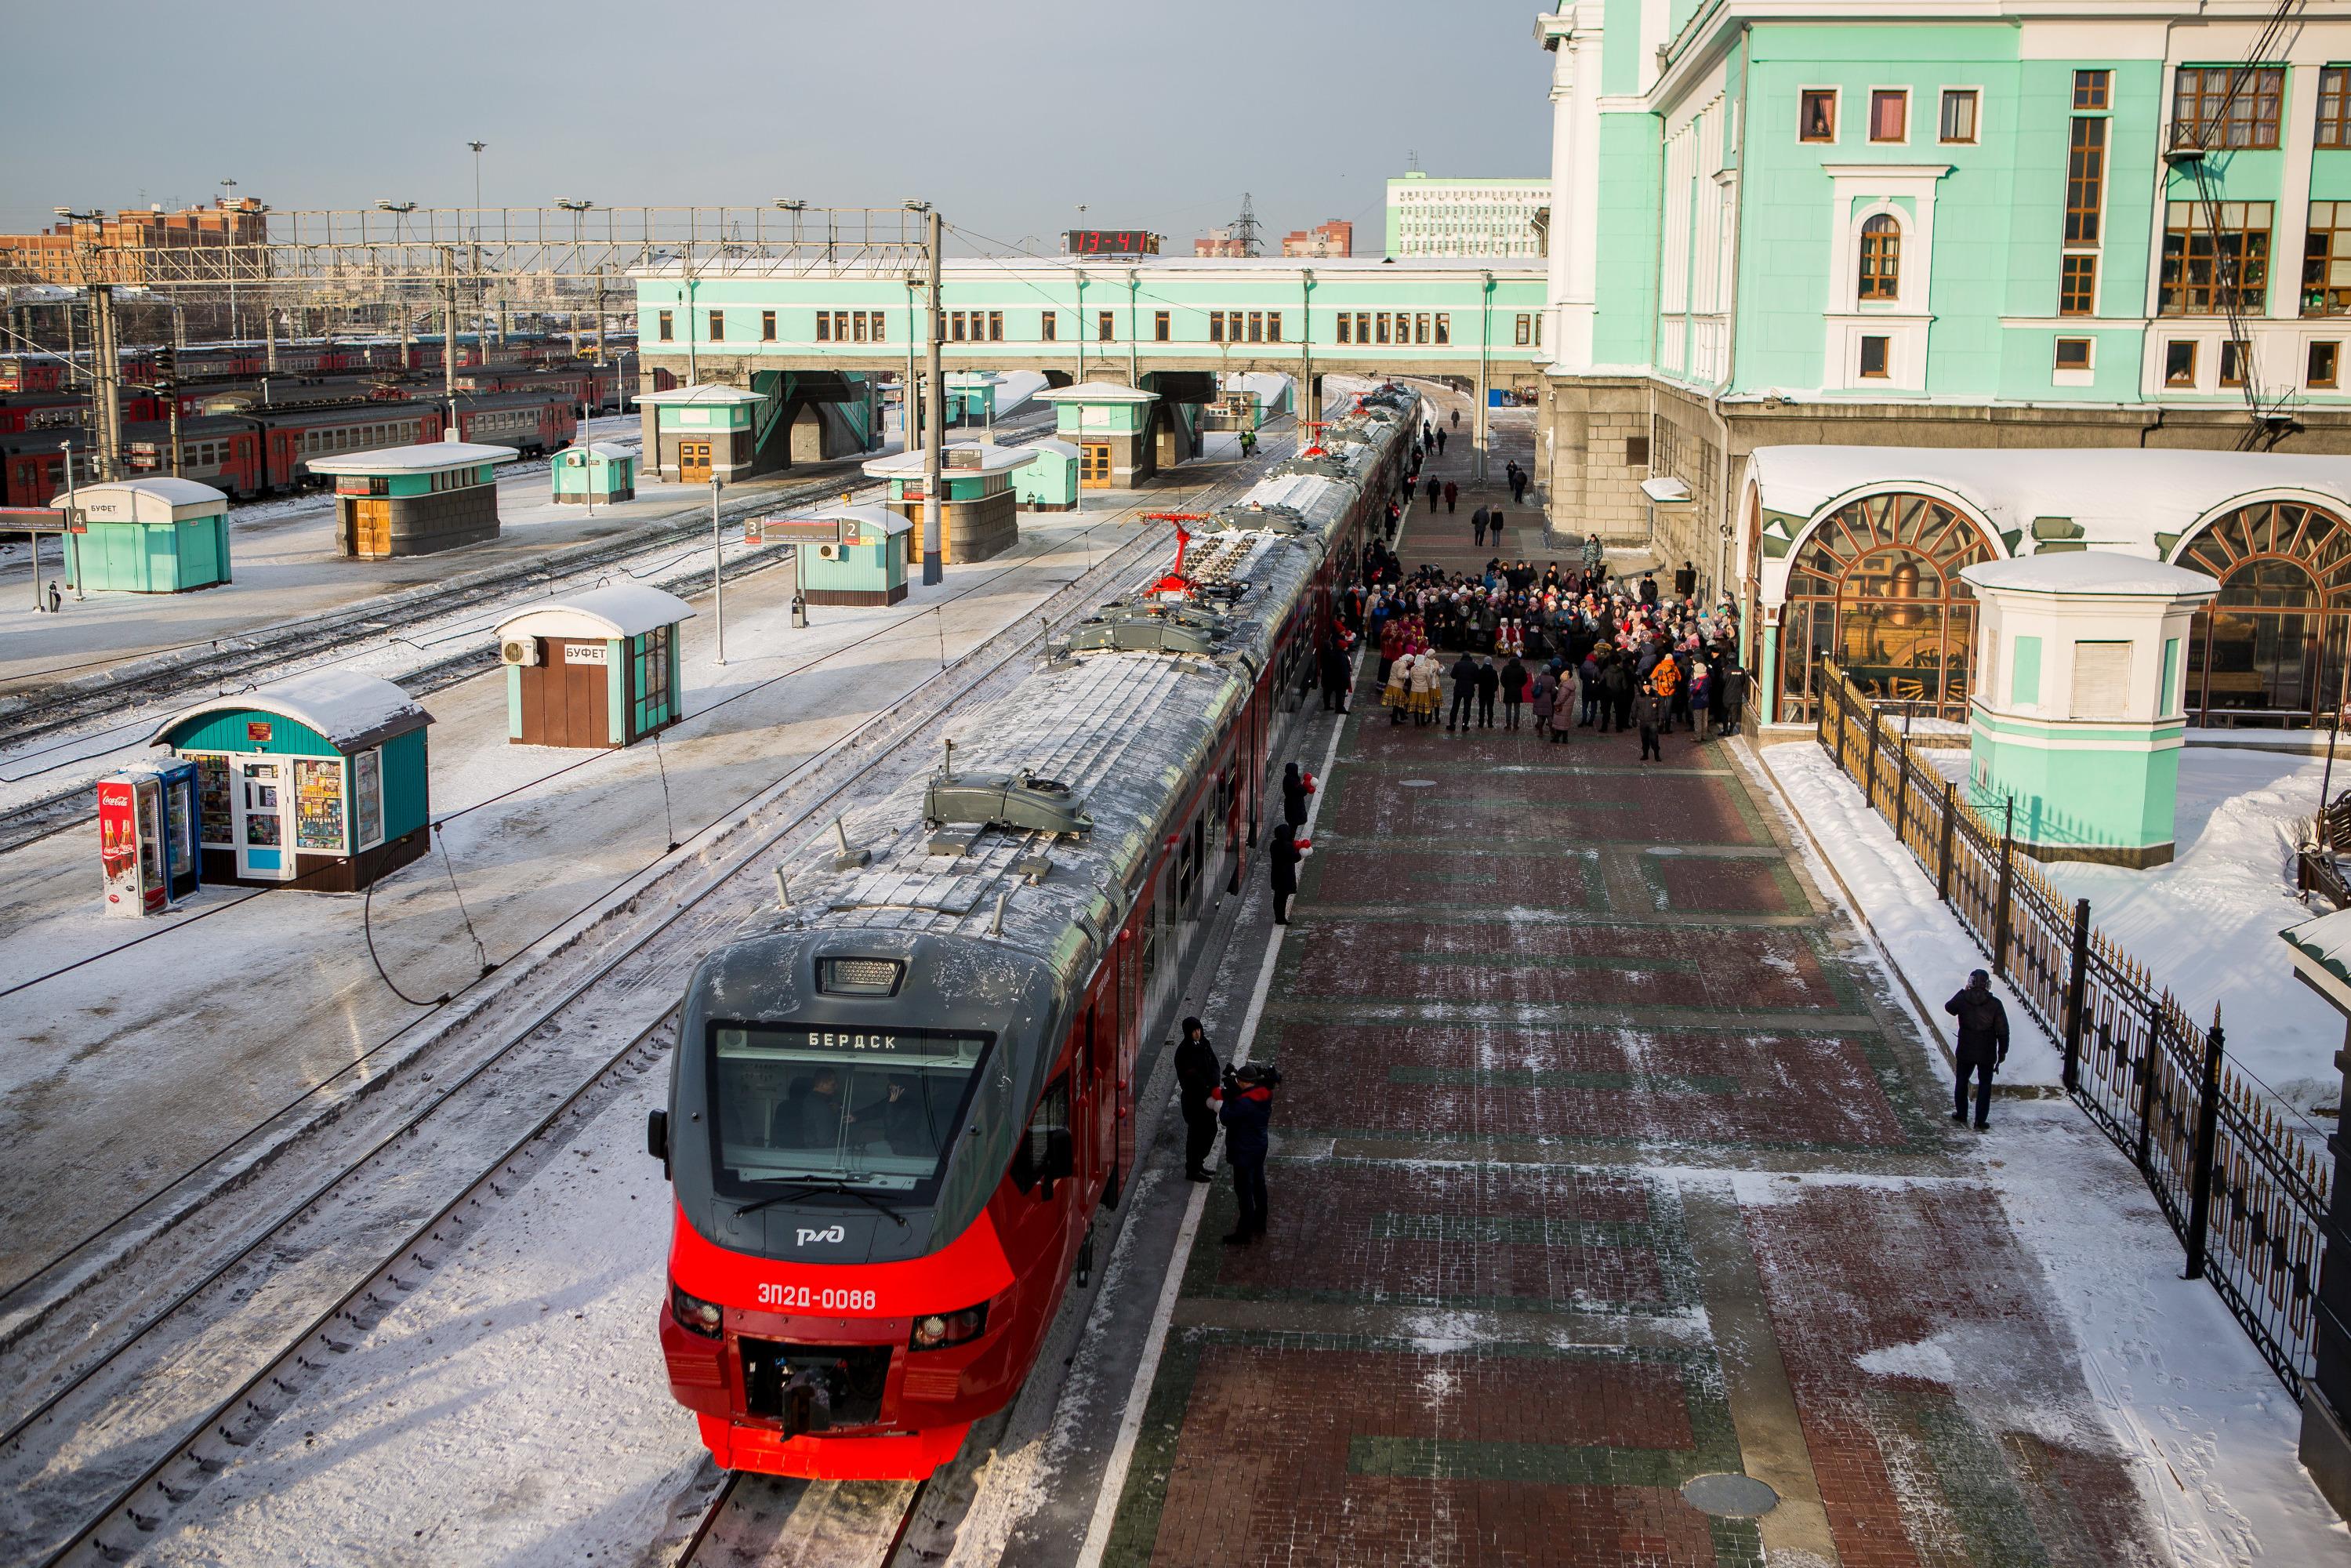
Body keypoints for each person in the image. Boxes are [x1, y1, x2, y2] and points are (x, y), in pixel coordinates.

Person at [1217, 1062, 1279, 1243]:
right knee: (1259, 1185)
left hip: (1244, 1150)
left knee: (1244, 1190)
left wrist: (1229, 1099)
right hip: (1259, 1147)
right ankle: (1261, 1222)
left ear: (1244, 1083)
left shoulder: (1245, 1102)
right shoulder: (1263, 1095)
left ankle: (1244, 1233)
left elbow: (1225, 1117)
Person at [1944, 969, 2011, 1129]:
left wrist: (1963, 991)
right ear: (1987, 985)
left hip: (1966, 1048)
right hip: (1986, 1052)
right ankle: (1980, 1121)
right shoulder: (1995, 1005)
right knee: (1985, 1085)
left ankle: (1961, 1114)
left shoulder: (1963, 999)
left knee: (1961, 1080)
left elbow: (1949, 1007)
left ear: (1971, 982)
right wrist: (2002, 1052)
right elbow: (2003, 1031)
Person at [1174, 1018, 1221, 1181]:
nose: (1198, 1033)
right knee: (1195, 1136)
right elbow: (1190, 1078)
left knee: (1210, 1131)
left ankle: (1198, 1163)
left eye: (1199, 1029)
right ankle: (1192, 1169)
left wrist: (1214, 1082)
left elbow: (1214, 1064)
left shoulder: (1204, 1043)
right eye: (1194, 1031)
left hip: (1207, 1098)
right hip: (1194, 1101)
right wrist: (1208, 1087)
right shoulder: (1183, 1052)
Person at [1269, 822, 1302, 924]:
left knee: (1278, 897)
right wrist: (1299, 852)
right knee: (1283, 899)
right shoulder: (1287, 846)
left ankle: (1278, 917)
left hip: (1276, 875)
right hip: (1286, 877)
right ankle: (1281, 918)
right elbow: (1295, 858)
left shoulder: (1274, 844)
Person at [1636, 679, 1667, 762]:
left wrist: (1661, 719)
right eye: (1644, 686)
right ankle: (1645, 754)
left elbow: (1661, 708)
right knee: (1644, 739)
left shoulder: (1657, 695)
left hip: (1653, 721)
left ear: (1651, 686)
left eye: (1648, 686)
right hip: (1643, 721)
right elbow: (1634, 707)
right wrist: (1633, 718)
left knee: (1654, 739)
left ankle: (1657, 755)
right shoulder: (1639, 696)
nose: (1646, 688)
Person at [1449, 650, 1479, 732]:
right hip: (1469, 689)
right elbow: (1477, 679)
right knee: (1467, 708)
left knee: (1455, 707)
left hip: (1459, 688)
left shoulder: (1457, 664)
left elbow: (1453, 675)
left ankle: (1453, 724)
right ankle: (1465, 724)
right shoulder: (1474, 665)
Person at [1500, 654, 1529, 731]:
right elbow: (1525, 680)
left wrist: (1506, 686)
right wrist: (1520, 686)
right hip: (1517, 691)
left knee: (1508, 709)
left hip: (1508, 690)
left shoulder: (1506, 668)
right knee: (1517, 708)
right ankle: (1516, 724)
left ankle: (1508, 724)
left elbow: (1502, 679)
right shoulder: (1521, 669)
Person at [1282, 761, 1310, 829]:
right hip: (1295, 806)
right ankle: (1290, 838)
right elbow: (1302, 791)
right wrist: (1305, 788)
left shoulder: (1287, 778)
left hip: (1289, 804)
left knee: (1292, 824)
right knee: (1293, 825)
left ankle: (1290, 837)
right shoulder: (1293, 781)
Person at [1475, 655, 1500, 728]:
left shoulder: (1480, 671)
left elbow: (1477, 680)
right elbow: (1497, 683)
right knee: (1490, 708)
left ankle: (1481, 723)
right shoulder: (1494, 672)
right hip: (1490, 693)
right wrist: (1494, 689)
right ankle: (1490, 723)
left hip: (1482, 692)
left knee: (1481, 708)